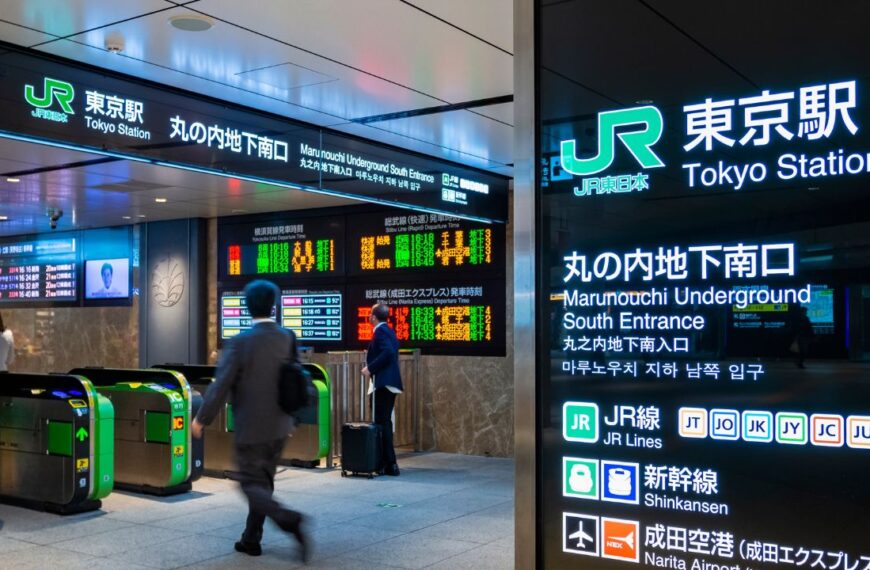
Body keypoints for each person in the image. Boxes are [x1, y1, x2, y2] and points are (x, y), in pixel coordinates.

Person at [191, 280, 308, 561]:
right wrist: (292, 419)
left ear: (247, 307)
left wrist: (201, 419)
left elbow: (221, 385)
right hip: (280, 426)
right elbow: (296, 381)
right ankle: (251, 539)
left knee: (248, 483)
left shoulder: (241, 342)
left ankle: (288, 519)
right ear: (274, 305)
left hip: (251, 427)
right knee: (263, 482)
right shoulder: (287, 337)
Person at [361, 302, 403, 477]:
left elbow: (388, 353)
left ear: (374, 316)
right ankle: (389, 463)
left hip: (383, 382)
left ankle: (389, 464)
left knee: (381, 422)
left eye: (370, 314)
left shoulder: (380, 332)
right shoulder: (389, 330)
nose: (369, 316)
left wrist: (370, 368)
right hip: (389, 382)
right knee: (385, 422)